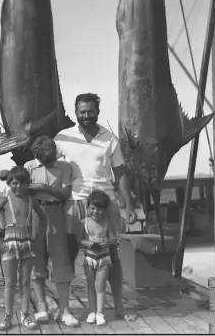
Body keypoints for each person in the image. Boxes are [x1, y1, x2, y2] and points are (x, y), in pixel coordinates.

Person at [54, 92, 138, 322]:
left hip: (106, 201)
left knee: (111, 255)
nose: (87, 116)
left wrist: (128, 205)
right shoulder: (63, 137)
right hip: (75, 199)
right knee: (69, 252)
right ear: (76, 113)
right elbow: (51, 166)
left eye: (91, 111)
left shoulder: (110, 138)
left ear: (97, 112)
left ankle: (119, 306)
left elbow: (119, 173)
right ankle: (65, 307)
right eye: (82, 112)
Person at [24, 136, 78, 327]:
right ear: (37, 156)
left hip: (56, 213)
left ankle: (65, 310)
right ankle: (42, 307)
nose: (49, 163)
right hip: (35, 214)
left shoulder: (64, 167)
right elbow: (22, 191)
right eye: (44, 160)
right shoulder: (29, 166)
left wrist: (44, 188)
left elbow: (65, 193)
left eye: (51, 158)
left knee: (61, 260)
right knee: (37, 261)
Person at [0, 166, 46, 332]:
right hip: (10, 244)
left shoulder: (31, 200)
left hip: (27, 243)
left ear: (27, 184)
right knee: (10, 282)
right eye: (14, 183)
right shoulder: (5, 200)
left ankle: (26, 314)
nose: (18, 186)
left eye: (22, 183)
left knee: (26, 282)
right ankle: (8, 316)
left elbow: (43, 218)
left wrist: (39, 239)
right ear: (9, 183)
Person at [79, 191, 115, 326]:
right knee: (90, 286)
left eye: (99, 209)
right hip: (89, 257)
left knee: (100, 286)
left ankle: (100, 313)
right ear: (87, 208)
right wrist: (87, 243)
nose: (95, 211)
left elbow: (114, 239)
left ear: (105, 210)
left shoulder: (107, 222)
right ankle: (92, 311)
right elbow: (80, 239)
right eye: (92, 208)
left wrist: (108, 242)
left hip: (104, 258)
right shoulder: (84, 222)